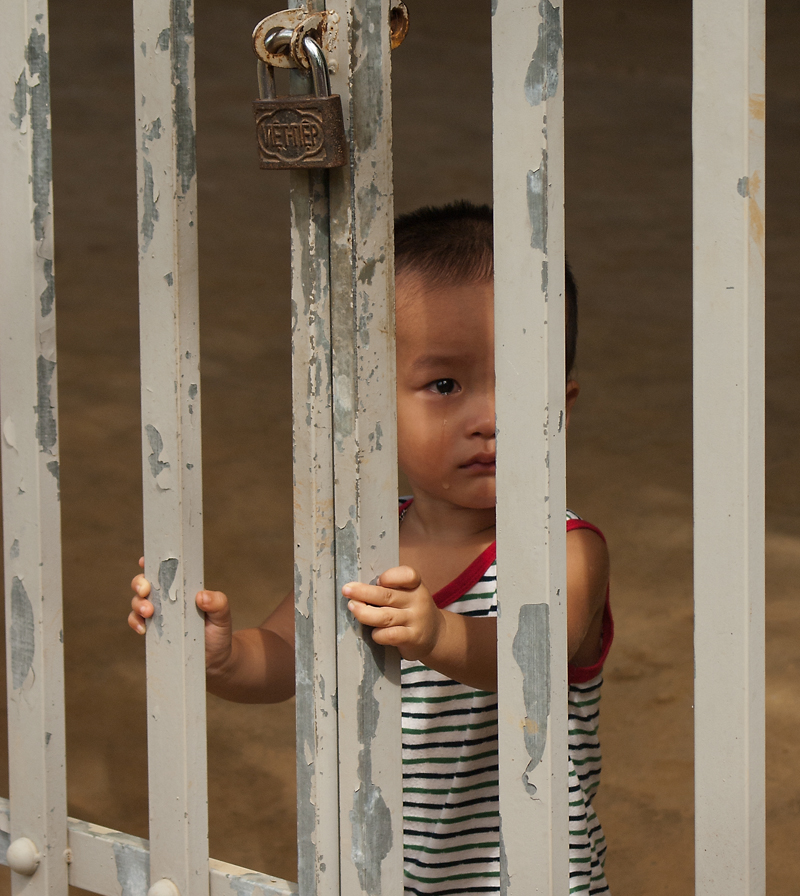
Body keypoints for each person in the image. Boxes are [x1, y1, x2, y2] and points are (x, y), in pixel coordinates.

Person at [129, 201, 612, 896]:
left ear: (563, 406)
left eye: (521, 383)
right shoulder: (364, 542)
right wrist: (224, 657)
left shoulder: (567, 549)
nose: (490, 419)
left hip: (526, 878)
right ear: (380, 407)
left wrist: (439, 632)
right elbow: (292, 656)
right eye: (445, 385)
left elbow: (533, 659)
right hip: (382, 871)